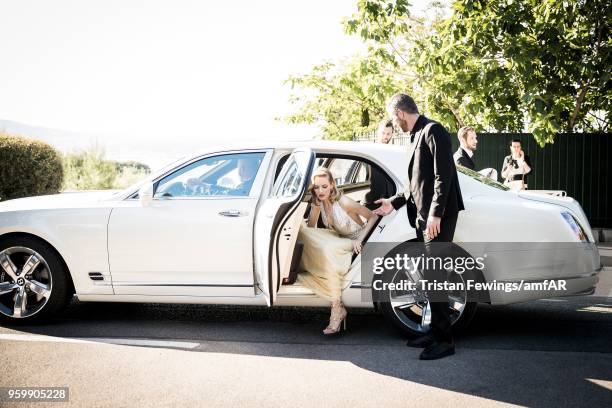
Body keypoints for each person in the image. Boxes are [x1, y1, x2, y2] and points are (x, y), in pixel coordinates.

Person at [373, 93, 464, 360]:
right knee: (430, 278)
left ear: (400, 113)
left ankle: (445, 341)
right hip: (424, 216)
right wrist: (394, 202)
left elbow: (442, 176)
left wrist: (435, 214)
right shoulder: (417, 135)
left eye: (394, 117)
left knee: (436, 278)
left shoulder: (433, 130)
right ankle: (435, 332)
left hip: (439, 217)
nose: (394, 122)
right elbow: (415, 183)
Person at [297, 167, 377, 335]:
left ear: (332, 185)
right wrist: (315, 206)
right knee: (303, 232)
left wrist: (360, 239)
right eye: (316, 187)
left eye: (324, 186)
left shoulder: (345, 202)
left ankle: (336, 308)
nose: (320, 191)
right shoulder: (320, 201)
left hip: (355, 240)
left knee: (327, 248)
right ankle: (314, 272)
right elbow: (312, 229)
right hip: (338, 237)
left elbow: (372, 217)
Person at [364, 120, 396, 210]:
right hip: (372, 202)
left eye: (388, 134)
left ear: (392, 134)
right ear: (378, 132)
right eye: (383, 133)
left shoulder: (395, 154)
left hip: (389, 202)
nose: (385, 136)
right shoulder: (368, 151)